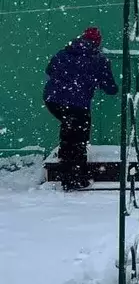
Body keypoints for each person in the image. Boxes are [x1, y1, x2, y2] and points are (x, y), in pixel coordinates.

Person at [43, 27, 118, 191]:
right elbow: (111, 89)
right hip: (77, 105)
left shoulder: (63, 53)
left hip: (53, 100)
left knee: (69, 133)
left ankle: (67, 172)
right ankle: (74, 179)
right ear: (97, 43)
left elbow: (49, 70)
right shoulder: (99, 60)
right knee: (78, 139)